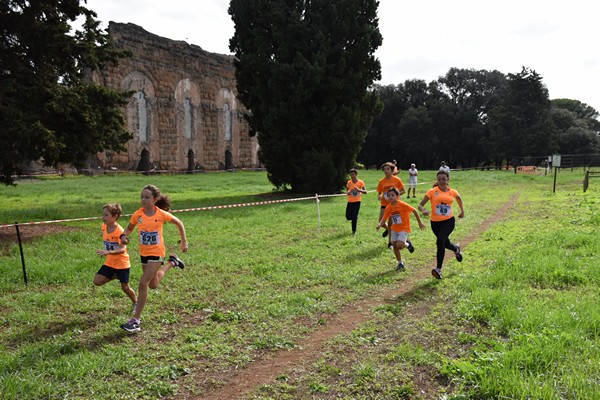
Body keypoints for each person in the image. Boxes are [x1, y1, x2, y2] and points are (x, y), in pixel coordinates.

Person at [120, 184, 188, 332]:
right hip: (144, 252)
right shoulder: (138, 214)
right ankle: (172, 262)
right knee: (153, 284)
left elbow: (179, 223)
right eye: (142, 197)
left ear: (155, 199)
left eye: (147, 197)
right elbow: (129, 228)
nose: (143, 200)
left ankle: (136, 321)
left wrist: (184, 241)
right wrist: (124, 236)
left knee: (143, 283)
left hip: (157, 253)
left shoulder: (161, 214)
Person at [418, 170, 464, 279]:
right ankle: (456, 249)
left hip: (449, 221)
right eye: (439, 179)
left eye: (444, 179)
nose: (441, 181)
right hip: (435, 223)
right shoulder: (432, 191)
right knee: (445, 243)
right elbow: (420, 205)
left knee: (440, 241)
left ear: (448, 179)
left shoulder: (452, 192)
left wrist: (462, 211)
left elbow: (459, 198)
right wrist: (423, 210)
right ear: (437, 180)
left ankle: (438, 269)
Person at [93, 203, 137, 313]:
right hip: (110, 263)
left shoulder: (120, 231)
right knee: (97, 281)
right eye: (103, 215)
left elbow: (122, 249)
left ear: (115, 216)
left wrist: (108, 251)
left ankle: (136, 303)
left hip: (122, 264)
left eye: (106, 215)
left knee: (125, 288)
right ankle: (115, 275)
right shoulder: (104, 227)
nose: (103, 217)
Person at [376, 187, 426, 270]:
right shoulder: (388, 207)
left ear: (397, 196)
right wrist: (379, 225)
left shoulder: (402, 204)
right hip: (394, 229)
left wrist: (420, 222)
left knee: (399, 245)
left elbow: (414, 210)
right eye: (389, 196)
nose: (390, 197)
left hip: (404, 228)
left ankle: (407, 244)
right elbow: (384, 219)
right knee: (395, 246)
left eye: (392, 195)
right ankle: (400, 263)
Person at [376, 162, 406, 248]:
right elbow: (379, 192)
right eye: (384, 169)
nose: (386, 171)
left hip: (394, 205)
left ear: (392, 170)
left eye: (388, 169)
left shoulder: (397, 180)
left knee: (390, 223)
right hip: (384, 204)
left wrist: (396, 196)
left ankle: (390, 243)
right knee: (381, 222)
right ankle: (389, 230)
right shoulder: (381, 181)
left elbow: (403, 190)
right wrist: (380, 196)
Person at [345, 168, 367, 235]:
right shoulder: (349, 182)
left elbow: (365, 192)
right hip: (350, 201)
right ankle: (355, 217)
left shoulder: (361, 182)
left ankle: (354, 231)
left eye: (353, 174)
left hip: (357, 201)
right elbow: (347, 190)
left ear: (356, 174)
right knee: (348, 216)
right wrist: (348, 192)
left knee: (354, 217)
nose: (352, 176)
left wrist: (359, 190)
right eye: (350, 174)